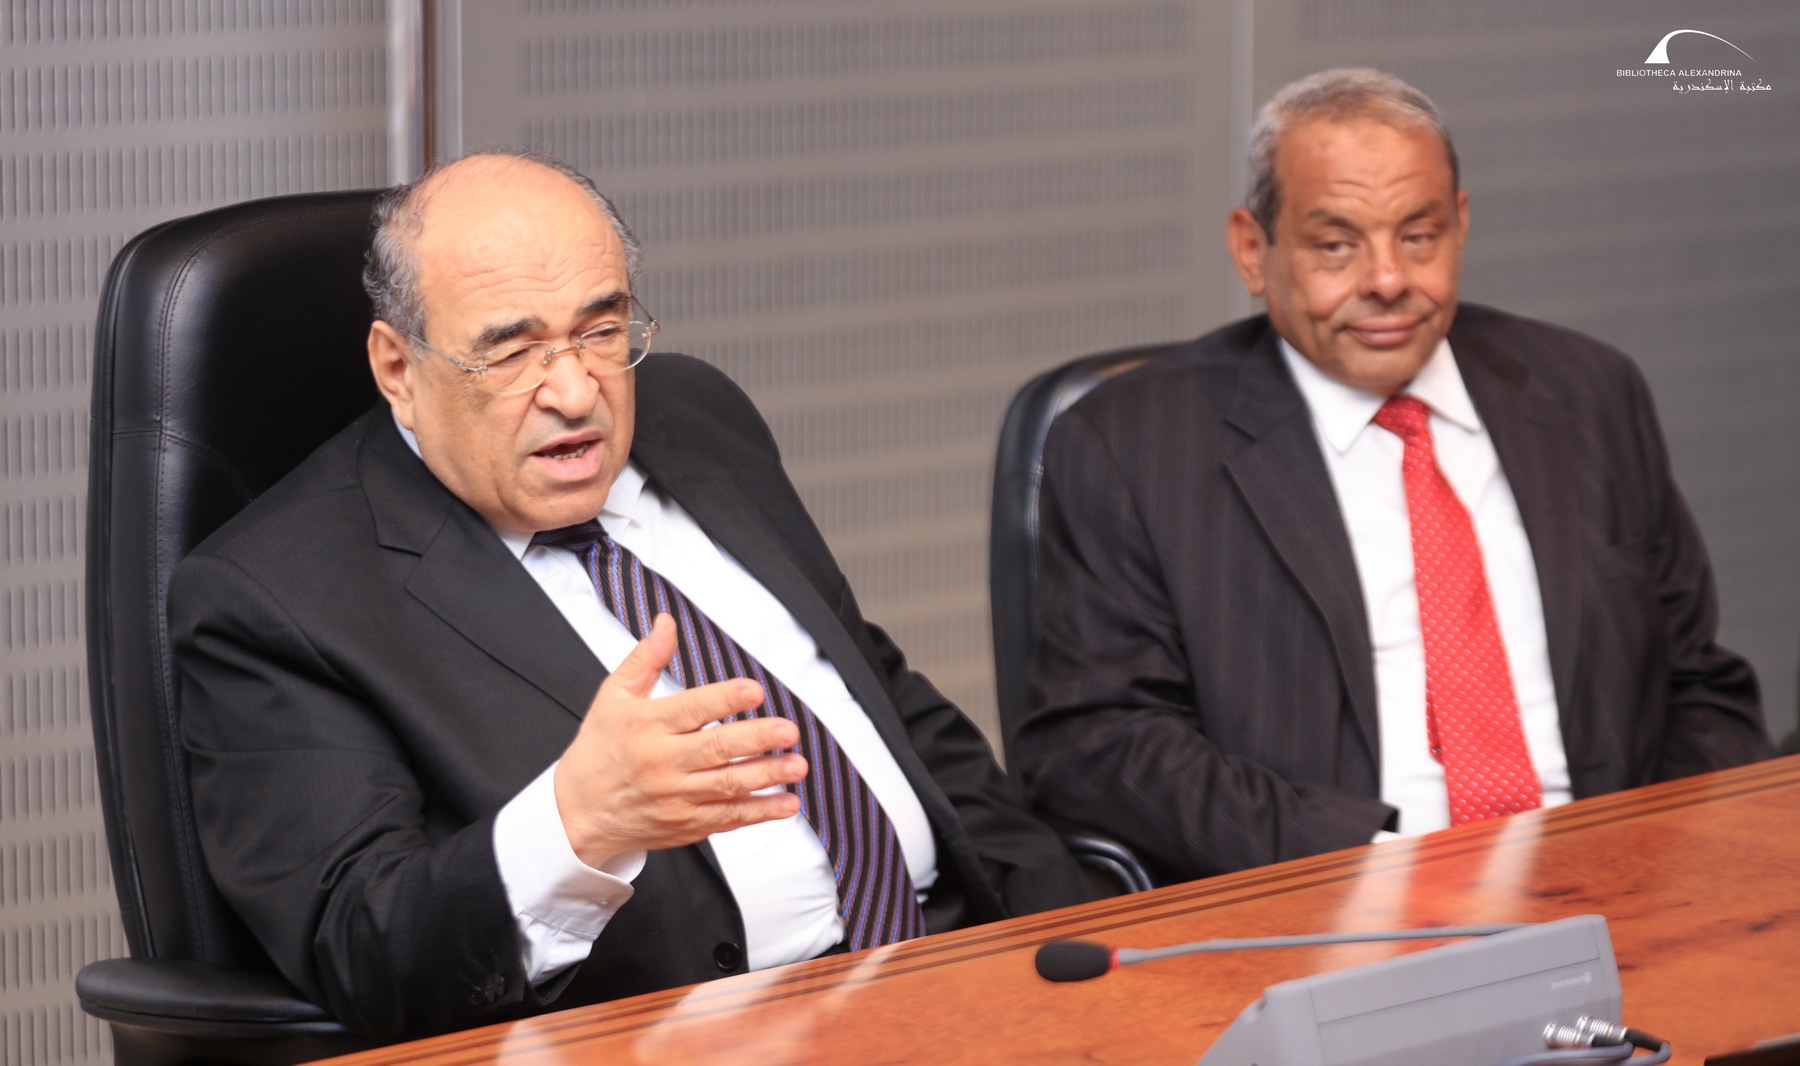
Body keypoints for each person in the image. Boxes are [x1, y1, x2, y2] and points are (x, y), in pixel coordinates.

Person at [170, 151, 1090, 1042]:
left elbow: (878, 697)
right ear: (398, 369)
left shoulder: (697, 414)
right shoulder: (277, 596)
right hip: (702, 1033)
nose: (577, 393)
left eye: (601, 331)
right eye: (513, 351)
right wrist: (576, 824)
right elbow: (364, 951)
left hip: (968, 978)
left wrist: (1076, 922)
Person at [1010, 68, 1772, 884]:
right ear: (1253, 251)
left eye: (1418, 236)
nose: (1386, 280)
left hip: (1621, 885)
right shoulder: (1133, 445)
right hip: (1343, 901)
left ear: (1461, 226)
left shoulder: (1588, 392)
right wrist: (1376, 872)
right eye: (1336, 245)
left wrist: (1646, 855)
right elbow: (1100, 742)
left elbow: (1700, 687)